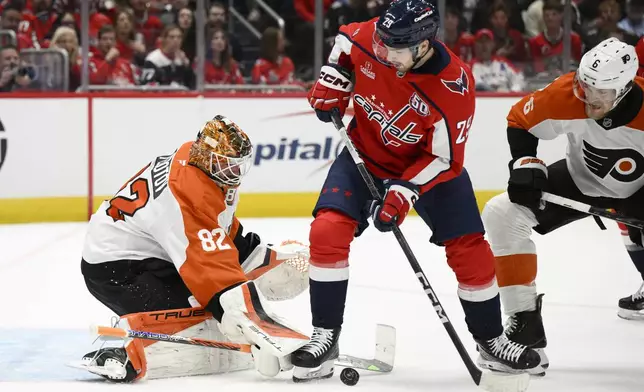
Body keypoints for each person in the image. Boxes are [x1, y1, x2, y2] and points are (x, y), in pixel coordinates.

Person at [290, 0, 541, 382]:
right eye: (382, 43)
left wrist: (403, 192)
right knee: (326, 230)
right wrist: (332, 78)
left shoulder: (453, 87)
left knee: (471, 251)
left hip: (428, 169)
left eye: (395, 48)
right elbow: (345, 42)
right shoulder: (376, 37)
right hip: (366, 154)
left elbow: (444, 160)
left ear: (423, 45)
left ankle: (490, 340)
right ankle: (326, 335)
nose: (383, 52)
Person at [77, 115, 311, 382]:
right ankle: (130, 357)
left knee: (218, 309)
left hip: (152, 254)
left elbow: (215, 227)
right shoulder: (189, 190)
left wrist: (254, 254)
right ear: (208, 158)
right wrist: (256, 328)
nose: (234, 173)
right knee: (203, 323)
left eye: (237, 166)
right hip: (118, 270)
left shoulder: (198, 159)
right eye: (227, 165)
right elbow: (212, 274)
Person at [481, 37, 643, 376]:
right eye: (586, 87)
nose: (589, 99)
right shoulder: (568, 93)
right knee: (501, 213)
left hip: (639, 191)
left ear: (625, 89)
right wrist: (525, 162)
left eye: (601, 93)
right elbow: (520, 119)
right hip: (579, 181)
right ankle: (526, 332)